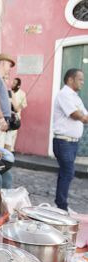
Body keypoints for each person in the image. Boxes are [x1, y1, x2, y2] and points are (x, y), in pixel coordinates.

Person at [53, 68, 88, 211]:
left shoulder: (76, 97)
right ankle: (62, 206)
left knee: (65, 172)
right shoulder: (64, 94)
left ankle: (61, 204)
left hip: (72, 142)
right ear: (70, 79)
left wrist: (83, 116)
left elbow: (85, 115)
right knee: (68, 172)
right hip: (63, 142)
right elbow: (76, 115)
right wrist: (83, 116)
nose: (83, 82)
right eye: (80, 79)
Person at [10, 77, 27, 151]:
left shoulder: (22, 93)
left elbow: (24, 104)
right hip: (9, 115)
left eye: (14, 83)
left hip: (16, 116)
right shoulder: (9, 92)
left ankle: (11, 149)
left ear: (18, 85)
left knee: (13, 134)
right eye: (12, 82)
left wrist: (18, 107)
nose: (12, 84)